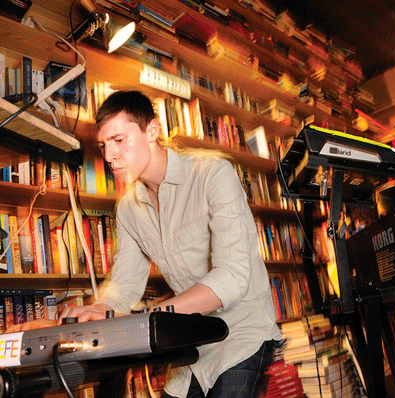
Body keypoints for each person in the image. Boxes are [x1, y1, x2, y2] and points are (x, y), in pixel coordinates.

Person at [12, 90, 282, 398]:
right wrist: (96, 310)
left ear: (151, 131)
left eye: (119, 141)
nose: (109, 156)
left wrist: (147, 317)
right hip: (191, 342)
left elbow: (231, 278)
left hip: (242, 333)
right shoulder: (128, 207)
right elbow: (124, 286)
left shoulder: (213, 174)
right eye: (103, 146)